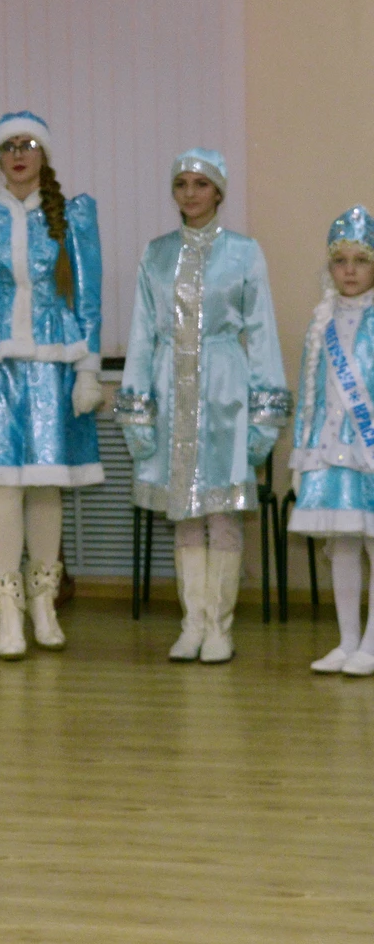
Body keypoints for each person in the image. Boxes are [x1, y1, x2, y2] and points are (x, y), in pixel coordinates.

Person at [115, 149, 290, 664]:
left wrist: (264, 416)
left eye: (201, 183)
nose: (190, 193)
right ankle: (192, 624)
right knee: (184, 513)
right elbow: (142, 334)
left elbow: (262, 333)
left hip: (224, 392)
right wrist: (138, 408)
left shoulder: (244, 253)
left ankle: (220, 627)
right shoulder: (156, 254)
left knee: (222, 511)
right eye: (181, 183)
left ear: (219, 192)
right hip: (171, 388)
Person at [0, 113, 104, 659]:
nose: (19, 154)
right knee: (2, 486)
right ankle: (8, 609)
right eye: (9, 146)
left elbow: (88, 296)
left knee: (45, 485)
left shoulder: (72, 217)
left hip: (53, 364)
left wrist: (88, 370)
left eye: (29, 144)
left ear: (43, 154)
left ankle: (43, 603)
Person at [287, 207, 374, 675]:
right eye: (341, 261)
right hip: (332, 451)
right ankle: (347, 641)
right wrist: (301, 457)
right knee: (342, 544)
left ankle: (371, 647)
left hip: (370, 452)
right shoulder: (320, 321)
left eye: (361, 260)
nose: (350, 271)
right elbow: (310, 394)